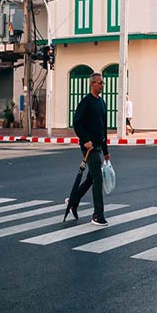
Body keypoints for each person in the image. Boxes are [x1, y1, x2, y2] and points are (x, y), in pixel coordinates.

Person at [68, 73, 110, 226]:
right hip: (89, 147)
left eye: (103, 83)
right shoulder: (86, 102)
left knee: (92, 177)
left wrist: (106, 151)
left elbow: (103, 128)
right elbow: (77, 122)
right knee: (98, 178)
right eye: (100, 83)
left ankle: (74, 200)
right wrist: (85, 140)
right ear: (92, 84)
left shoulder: (102, 103)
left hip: (99, 145)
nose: (102, 85)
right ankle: (98, 215)